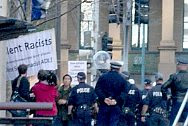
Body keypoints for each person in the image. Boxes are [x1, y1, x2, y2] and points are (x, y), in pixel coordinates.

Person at [95, 61, 128, 126]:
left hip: (104, 105)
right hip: (116, 106)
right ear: (119, 69)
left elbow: (97, 89)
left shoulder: (103, 77)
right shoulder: (123, 79)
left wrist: (104, 98)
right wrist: (116, 100)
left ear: (110, 67)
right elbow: (124, 93)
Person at [161, 58, 188, 125]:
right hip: (187, 102)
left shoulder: (174, 76)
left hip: (177, 102)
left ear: (179, 65)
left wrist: (166, 97)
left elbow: (163, 87)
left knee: (173, 121)